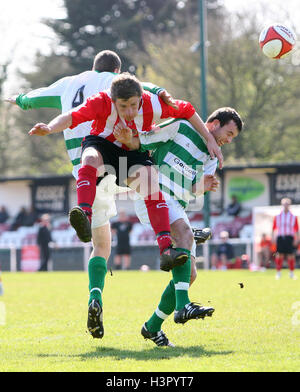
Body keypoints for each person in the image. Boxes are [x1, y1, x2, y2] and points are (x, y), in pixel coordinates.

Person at [7, 50, 217, 339]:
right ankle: (85, 213)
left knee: (105, 239)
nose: (130, 111)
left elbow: (37, 99)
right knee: (106, 163)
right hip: (104, 154)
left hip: (107, 166)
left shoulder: (75, 84)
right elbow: (74, 116)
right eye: (124, 106)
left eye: (134, 105)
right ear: (115, 81)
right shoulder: (106, 99)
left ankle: (160, 249)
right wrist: (51, 127)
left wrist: (19, 100)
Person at [114, 106, 243, 346]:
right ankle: (183, 306)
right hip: (154, 195)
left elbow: (191, 191)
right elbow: (141, 143)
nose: (228, 140)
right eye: (229, 132)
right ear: (214, 123)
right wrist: (128, 138)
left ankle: (151, 327)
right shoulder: (181, 126)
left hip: (177, 204)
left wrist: (200, 188)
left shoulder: (211, 157)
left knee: (189, 274)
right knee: (185, 235)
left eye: (233, 138)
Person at [272, 198, 299, 279]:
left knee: (291, 255)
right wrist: (273, 237)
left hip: (289, 237)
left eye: (287, 204)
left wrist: (297, 239)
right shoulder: (277, 216)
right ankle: (278, 272)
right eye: (284, 204)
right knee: (279, 255)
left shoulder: (293, 217)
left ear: (289, 205)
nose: (286, 206)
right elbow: (273, 228)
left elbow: (296, 229)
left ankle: (291, 272)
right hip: (280, 237)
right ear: (282, 205)